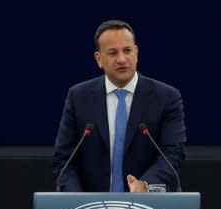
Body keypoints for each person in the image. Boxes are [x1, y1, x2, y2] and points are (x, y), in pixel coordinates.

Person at [53, 19, 186, 192]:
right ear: (99, 59)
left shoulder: (166, 97)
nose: (122, 59)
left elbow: (173, 153)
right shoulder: (78, 97)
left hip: (147, 207)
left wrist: (145, 184)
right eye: (113, 53)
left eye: (127, 50)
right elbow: (65, 160)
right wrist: (76, 199)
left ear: (137, 53)